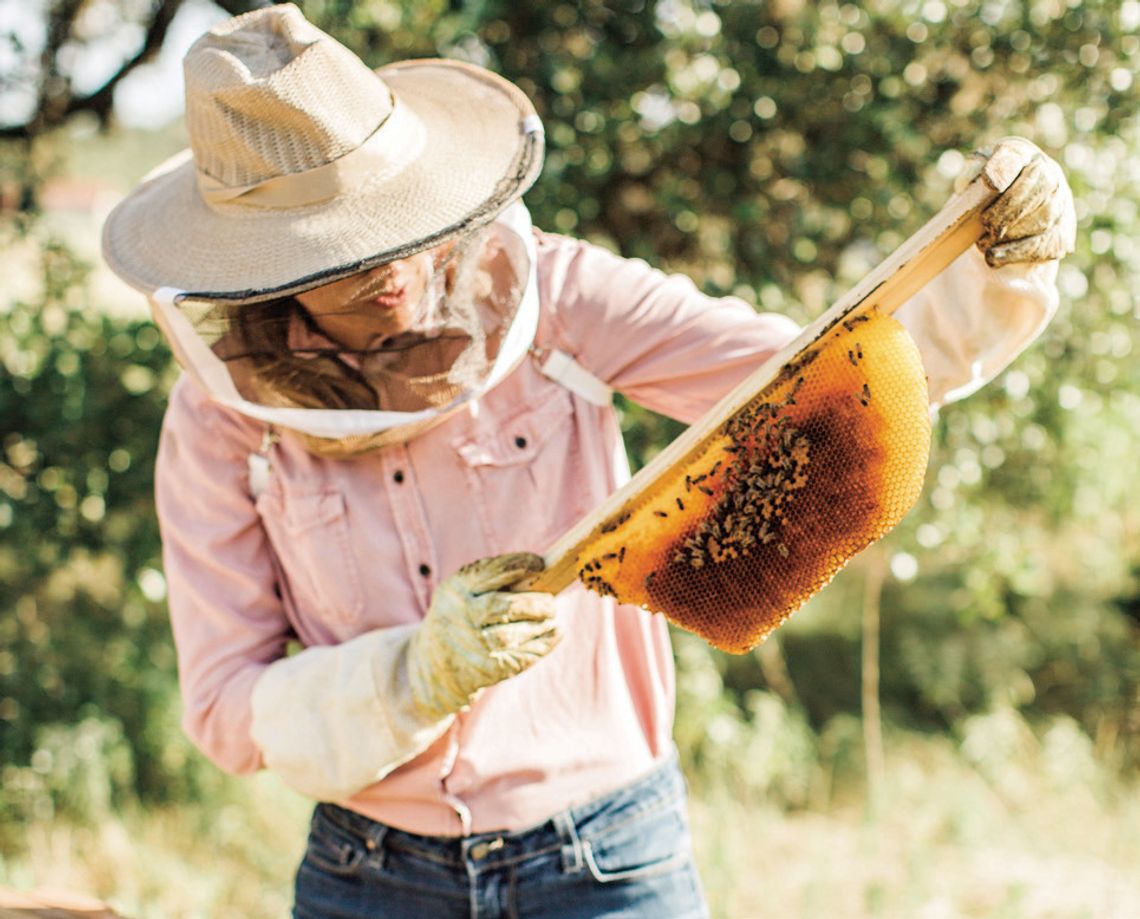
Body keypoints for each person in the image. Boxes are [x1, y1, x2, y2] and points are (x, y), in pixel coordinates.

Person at [101, 6, 1075, 918]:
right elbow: (226, 709)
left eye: (391, 217)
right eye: (339, 249)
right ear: (262, 265)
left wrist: (994, 271)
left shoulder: (556, 298)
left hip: (607, 856)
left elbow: (824, 376)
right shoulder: (224, 423)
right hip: (371, 871)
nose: (389, 268)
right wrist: (416, 672)